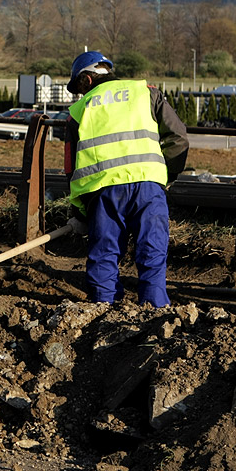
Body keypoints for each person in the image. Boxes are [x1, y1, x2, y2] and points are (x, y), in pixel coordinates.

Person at [64, 50, 188, 307]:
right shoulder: (147, 92)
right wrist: (167, 176)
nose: (79, 95)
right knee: (152, 252)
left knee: (104, 256)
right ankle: (155, 314)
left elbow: (71, 169)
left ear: (87, 81)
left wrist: (79, 211)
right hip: (148, 186)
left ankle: (103, 311)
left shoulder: (78, 111)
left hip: (103, 192)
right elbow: (178, 138)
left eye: (78, 88)